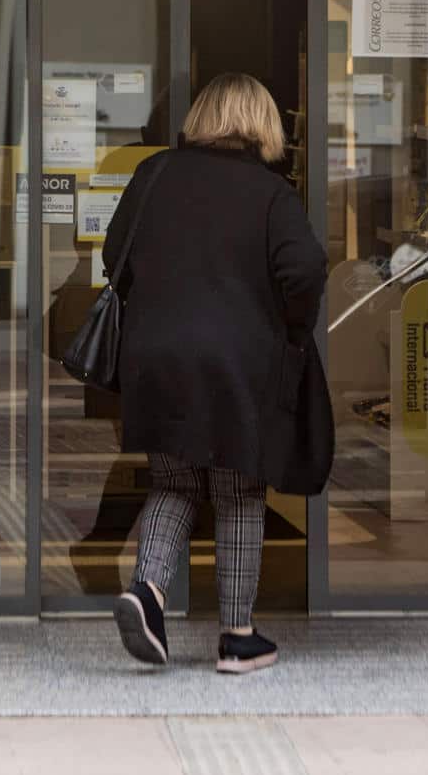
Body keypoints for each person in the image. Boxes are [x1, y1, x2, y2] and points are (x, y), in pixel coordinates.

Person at [102, 72, 328, 674]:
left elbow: (112, 255)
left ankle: (148, 593)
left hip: (156, 358)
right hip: (238, 363)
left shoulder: (155, 176)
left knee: (174, 483)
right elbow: (304, 269)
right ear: (262, 123)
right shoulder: (270, 194)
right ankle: (237, 636)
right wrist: (291, 329)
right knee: (237, 490)